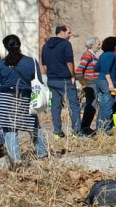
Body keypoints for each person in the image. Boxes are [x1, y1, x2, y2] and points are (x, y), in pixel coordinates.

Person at [0, 35, 49, 163]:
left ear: (5, 46)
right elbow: (38, 81)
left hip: (5, 98)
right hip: (25, 97)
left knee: (9, 128)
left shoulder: (2, 64)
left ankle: (16, 160)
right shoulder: (31, 61)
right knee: (33, 126)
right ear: (19, 44)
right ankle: (42, 153)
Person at [41, 24, 80, 138]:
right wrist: (72, 75)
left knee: (55, 106)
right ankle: (77, 131)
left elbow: (44, 65)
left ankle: (57, 132)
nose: (71, 35)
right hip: (65, 79)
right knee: (73, 105)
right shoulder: (66, 44)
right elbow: (69, 62)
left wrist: (51, 74)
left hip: (52, 79)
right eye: (69, 32)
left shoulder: (46, 46)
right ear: (61, 32)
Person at [93, 37, 116, 134]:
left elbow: (97, 68)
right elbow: (106, 70)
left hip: (100, 81)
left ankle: (99, 127)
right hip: (107, 81)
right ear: (113, 44)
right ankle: (106, 129)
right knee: (108, 105)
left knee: (103, 105)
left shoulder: (103, 55)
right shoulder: (111, 55)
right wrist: (110, 84)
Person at [75, 37, 100, 135]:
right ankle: (85, 128)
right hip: (90, 82)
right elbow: (79, 70)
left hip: (93, 82)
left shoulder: (93, 55)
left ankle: (86, 127)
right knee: (90, 106)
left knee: (92, 105)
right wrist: (83, 83)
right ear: (92, 45)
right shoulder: (87, 55)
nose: (100, 46)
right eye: (98, 44)